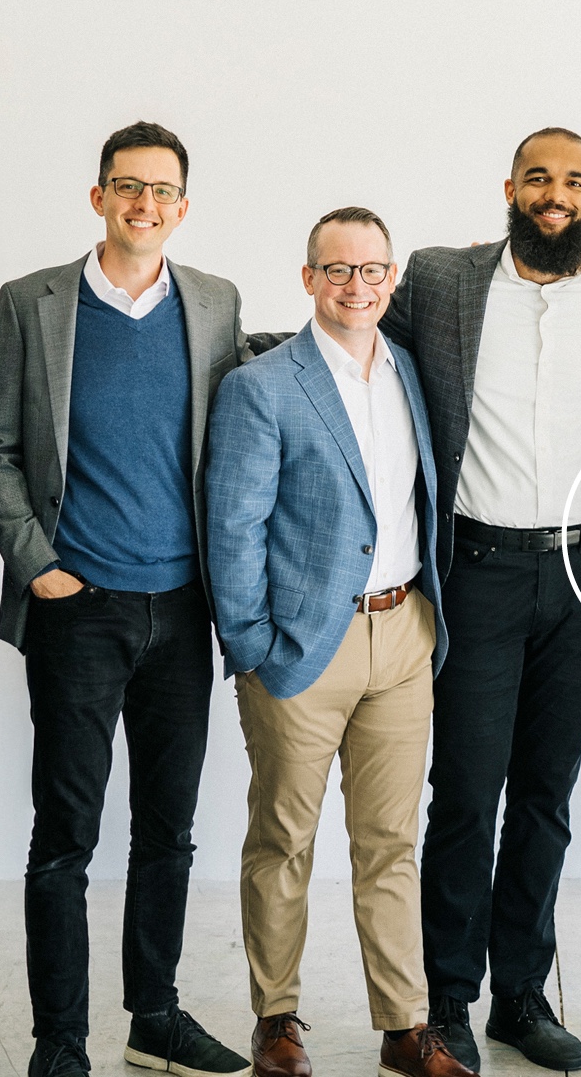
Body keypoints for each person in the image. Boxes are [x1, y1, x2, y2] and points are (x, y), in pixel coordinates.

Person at [0, 121, 267, 1077]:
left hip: (182, 608)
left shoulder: (214, 303)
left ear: (184, 206)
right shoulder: (34, 303)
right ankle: (59, 1041)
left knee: (168, 832)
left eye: (163, 190)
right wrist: (37, 564)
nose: (146, 204)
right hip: (79, 608)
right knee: (65, 835)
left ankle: (154, 1016)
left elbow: (268, 398)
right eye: (127, 186)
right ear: (97, 197)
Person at [375, 127, 581, 1073]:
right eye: (538, 177)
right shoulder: (441, 279)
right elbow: (358, 345)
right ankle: (448, 1001)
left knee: (546, 793)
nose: (555, 194)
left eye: (574, 180)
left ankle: (520, 998)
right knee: (465, 792)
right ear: (509, 188)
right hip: (478, 569)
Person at [206, 208, 472, 1077]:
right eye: (337, 270)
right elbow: (234, 527)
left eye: (372, 270)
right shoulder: (264, 386)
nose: (356, 285)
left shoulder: (412, 374)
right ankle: (276, 1017)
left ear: (392, 279)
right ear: (309, 278)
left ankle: (404, 1027)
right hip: (300, 647)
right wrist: (250, 643)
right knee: (284, 839)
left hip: (403, 638)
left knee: (391, 840)